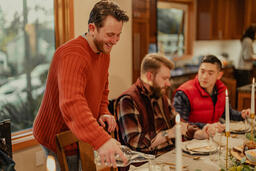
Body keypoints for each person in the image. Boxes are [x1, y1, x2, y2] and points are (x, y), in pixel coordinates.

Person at [33, 0, 129, 169]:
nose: (115, 41)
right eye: (110, 34)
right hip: (56, 135)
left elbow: (102, 89)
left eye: (118, 35)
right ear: (92, 28)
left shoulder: (103, 52)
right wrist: (102, 140)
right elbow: (72, 103)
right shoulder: (72, 55)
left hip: (78, 131)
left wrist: (102, 111)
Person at [115, 53, 209, 158]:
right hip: (144, 164)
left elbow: (178, 125)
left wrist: (200, 133)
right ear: (149, 76)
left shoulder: (160, 96)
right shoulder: (128, 100)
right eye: (164, 78)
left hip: (169, 157)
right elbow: (134, 142)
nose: (168, 83)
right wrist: (168, 134)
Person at [173, 55, 250, 135]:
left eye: (210, 73)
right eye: (202, 71)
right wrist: (206, 126)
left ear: (219, 75)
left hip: (213, 139)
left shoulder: (221, 90)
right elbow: (180, 124)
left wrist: (241, 115)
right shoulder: (183, 93)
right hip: (191, 141)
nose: (205, 77)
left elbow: (227, 113)